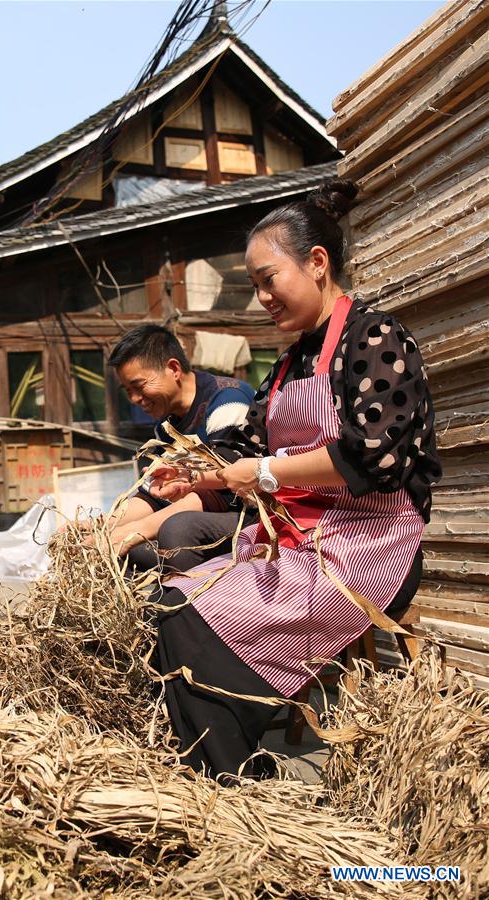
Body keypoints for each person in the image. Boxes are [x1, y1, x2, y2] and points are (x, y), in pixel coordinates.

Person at [148, 179, 442, 780]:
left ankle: (229, 779)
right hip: (300, 538)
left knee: (189, 611)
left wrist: (263, 473)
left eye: (267, 279)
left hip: (370, 544)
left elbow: (372, 456)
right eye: (254, 285)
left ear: (316, 263)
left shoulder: (375, 339)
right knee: (169, 597)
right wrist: (197, 477)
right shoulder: (289, 363)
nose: (262, 297)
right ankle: (220, 770)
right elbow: (246, 445)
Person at [104, 324, 254, 569]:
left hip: (250, 515)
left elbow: (223, 491)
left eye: (139, 386)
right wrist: (101, 527)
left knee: (178, 529)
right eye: (128, 391)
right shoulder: (165, 426)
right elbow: (153, 496)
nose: (134, 399)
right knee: (114, 547)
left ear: (173, 368)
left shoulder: (228, 402)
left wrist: (132, 531)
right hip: (205, 511)